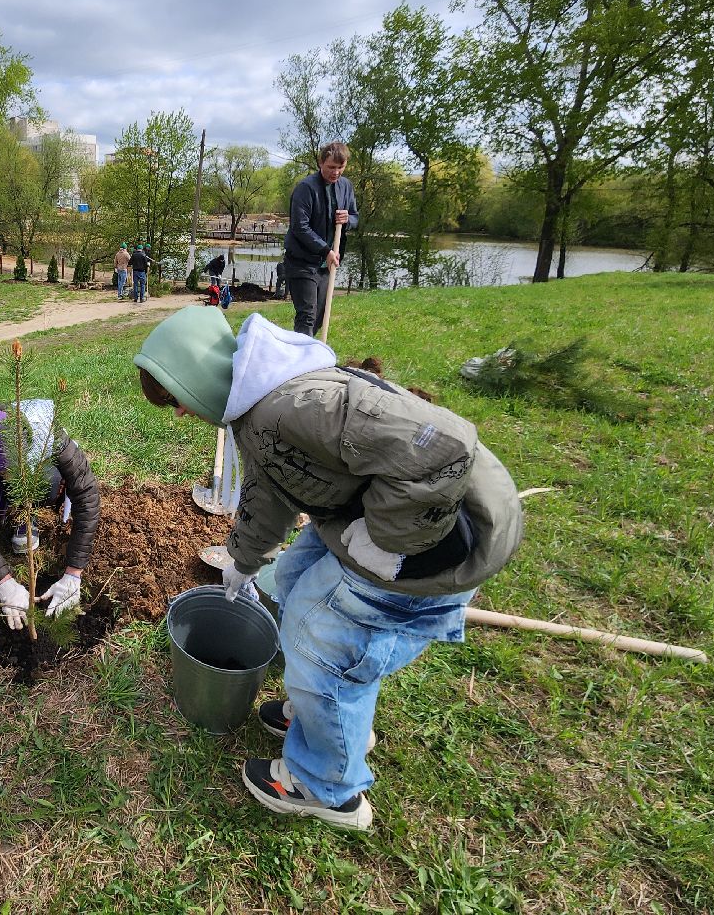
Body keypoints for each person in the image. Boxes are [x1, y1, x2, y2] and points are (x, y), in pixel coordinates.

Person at [133, 307, 522, 830]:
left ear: (198, 375)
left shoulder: (296, 406)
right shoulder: (259, 405)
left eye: (174, 399)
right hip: (373, 521)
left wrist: (384, 541)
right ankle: (321, 714)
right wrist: (244, 560)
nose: (180, 413)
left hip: (435, 541)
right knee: (292, 580)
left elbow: (443, 447)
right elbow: (268, 489)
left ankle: (327, 785)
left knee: (322, 644)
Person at [0, 400, 101, 629]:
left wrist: (74, 572)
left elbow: (87, 495)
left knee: (50, 482)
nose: (9, 479)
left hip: (36, 469)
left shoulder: (48, 433)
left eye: (10, 472)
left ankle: (25, 514)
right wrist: (4, 582)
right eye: (2, 474)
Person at [283, 142, 358, 337]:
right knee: (307, 315)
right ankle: (303, 355)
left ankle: (305, 348)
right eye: (331, 167)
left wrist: (348, 219)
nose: (336, 172)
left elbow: (355, 217)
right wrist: (326, 250)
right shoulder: (306, 188)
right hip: (301, 262)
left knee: (319, 317)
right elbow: (300, 227)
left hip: (326, 266)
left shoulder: (346, 186)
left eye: (340, 167)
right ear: (321, 163)